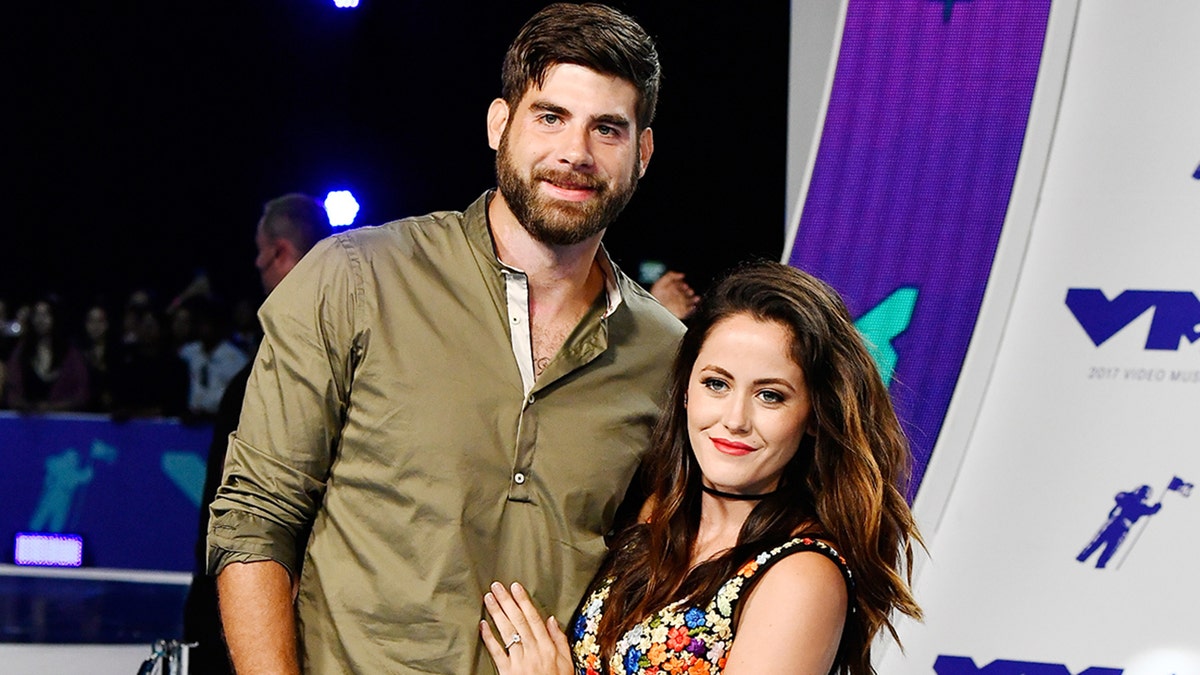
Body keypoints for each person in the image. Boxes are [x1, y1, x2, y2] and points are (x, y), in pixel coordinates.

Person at [206, 5, 683, 674]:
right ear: (499, 124)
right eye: (549, 116)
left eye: (607, 128)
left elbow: (657, 580)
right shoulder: (357, 276)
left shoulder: (668, 355)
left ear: (643, 153)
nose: (575, 152)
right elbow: (256, 517)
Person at [481, 262, 923, 675]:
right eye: (716, 383)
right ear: (686, 390)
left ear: (813, 416)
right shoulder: (655, 512)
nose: (734, 419)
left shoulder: (802, 576)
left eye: (770, 395)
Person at [182, 192, 332, 675]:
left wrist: (203, 625)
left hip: (265, 619)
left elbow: (233, 516)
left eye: (259, 251)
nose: (255, 264)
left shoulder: (259, 379)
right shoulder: (374, 360)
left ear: (281, 254)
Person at [4, 295, 90, 413]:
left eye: (46, 314)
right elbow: (12, 391)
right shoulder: (21, 351)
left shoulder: (70, 353)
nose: (41, 319)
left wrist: (52, 408)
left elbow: (81, 395)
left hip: (63, 426)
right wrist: (24, 406)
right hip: (27, 425)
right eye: (37, 314)